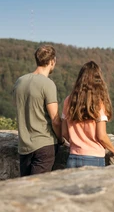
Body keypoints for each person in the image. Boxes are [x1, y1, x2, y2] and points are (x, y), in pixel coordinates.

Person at [61, 61, 114, 168]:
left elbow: (64, 132)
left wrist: (77, 144)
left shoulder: (68, 100)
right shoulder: (98, 103)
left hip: (73, 157)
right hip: (94, 158)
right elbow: (101, 136)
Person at [13, 45, 63, 177]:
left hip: (24, 146)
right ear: (53, 61)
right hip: (44, 145)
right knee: (36, 190)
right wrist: (61, 139)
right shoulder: (48, 84)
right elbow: (55, 120)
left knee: (26, 189)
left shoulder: (19, 81)